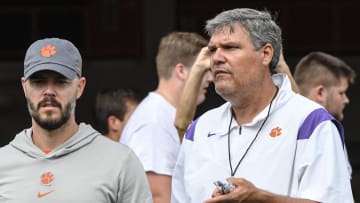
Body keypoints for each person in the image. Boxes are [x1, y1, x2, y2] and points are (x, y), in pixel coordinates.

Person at [171, 8, 353, 203]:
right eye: (213, 50)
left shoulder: (311, 122)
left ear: (266, 54)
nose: (216, 58)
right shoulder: (199, 129)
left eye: (230, 47)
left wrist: (260, 198)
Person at [0, 38, 152, 202]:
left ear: (80, 87)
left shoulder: (120, 162)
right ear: (24, 87)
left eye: (61, 82)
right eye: (39, 82)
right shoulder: (4, 164)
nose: (49, 91)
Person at [120, 31, 213, 203]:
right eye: (205, 70)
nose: (211, 78)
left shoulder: (163, 114)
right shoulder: (154, 120)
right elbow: (158, 196)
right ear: (181, 71)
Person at [294, 51, 356, 121]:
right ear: (320, 93)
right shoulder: (325, 129)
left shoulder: (282, 124)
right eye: (341, 93)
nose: (346, 100)